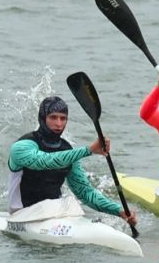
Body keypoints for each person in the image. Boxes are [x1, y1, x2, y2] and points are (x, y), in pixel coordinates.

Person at [7, 96, 137, 224]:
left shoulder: (67, 149)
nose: (58, 123)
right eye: (53, 117)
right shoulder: (22, 147)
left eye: (63, 118)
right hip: (23, 214)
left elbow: (85, 192)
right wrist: (89, 150)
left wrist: (119, 211)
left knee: (71, 203)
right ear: (42, 118)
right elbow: (45, 161)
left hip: (54, 213)